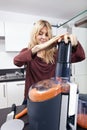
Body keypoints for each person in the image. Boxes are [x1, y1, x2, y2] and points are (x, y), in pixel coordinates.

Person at [13, 19, 85, 105]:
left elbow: (81, 56)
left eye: (47, 35)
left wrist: (76, 44)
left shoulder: (56, 54)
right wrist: (37, 48)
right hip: (32, 98)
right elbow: (16, 61)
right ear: (34, 35)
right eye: (40, 33)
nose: (44, 37)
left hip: (51, 97)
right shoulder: (28, 52)